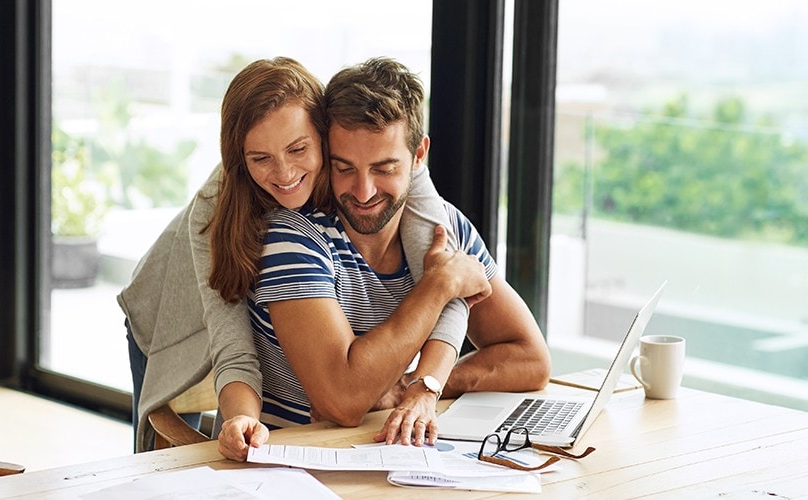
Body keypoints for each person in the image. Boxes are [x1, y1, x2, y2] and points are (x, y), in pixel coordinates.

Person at [118, 57, 475, 453]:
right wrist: (242, 417)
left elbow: (445, 274)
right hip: (172, 315)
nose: (285, 173)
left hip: (259, 317)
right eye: (260, 158)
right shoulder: (216, 203)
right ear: (240, 157)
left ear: (323, 135)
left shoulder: (378, 166)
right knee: (167, 460)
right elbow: (231, 338)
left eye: (298, 149)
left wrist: (423, 384)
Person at [217, 57, 550, 461]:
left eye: (384, 168)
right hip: (297, 467)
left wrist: (418, 385)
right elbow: (343, 400)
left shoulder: (445, 227)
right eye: (344, 167)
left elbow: (530, 358)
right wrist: (439, 285)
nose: (363, 190)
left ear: (418, 155)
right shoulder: (292, 237)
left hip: (387, 459)